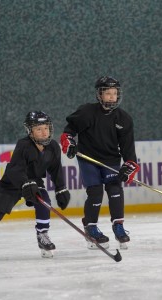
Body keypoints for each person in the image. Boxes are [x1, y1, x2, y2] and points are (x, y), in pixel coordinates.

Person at [0, 111, 71, 262]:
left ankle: (42, 235)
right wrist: (25, 183)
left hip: (34, 182)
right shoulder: (24, 145)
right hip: (12, 182)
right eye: (38, 129)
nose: (44, 133)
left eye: (46, 128)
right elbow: (16, 168)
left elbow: (56, 170)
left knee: (45, 204)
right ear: (30, 131)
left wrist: (61, 188)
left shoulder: (53, 147)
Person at [60, 76, 139, 250]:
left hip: (111, 160)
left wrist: (128, 165)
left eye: (114, 93)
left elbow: (128, 149)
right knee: (95, 192)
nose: (112, 97)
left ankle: (118, 225)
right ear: (99, 95)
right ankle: (91, 227)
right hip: (89, 159)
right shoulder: (87, 112)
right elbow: (68, 132)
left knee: (115, 189)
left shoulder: (124, 119)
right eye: (108, 93)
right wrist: (69, 142)